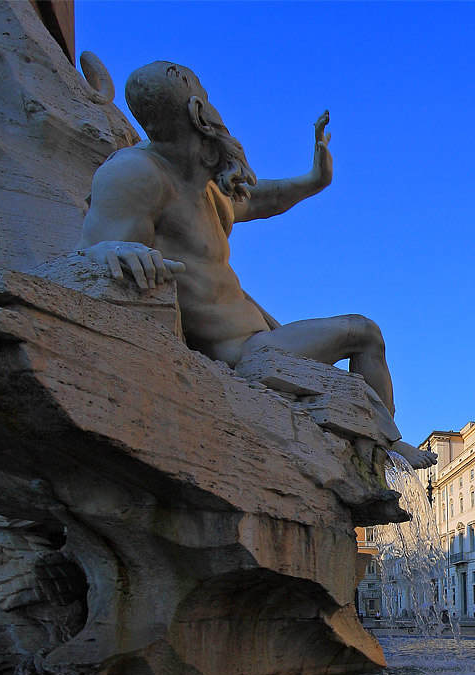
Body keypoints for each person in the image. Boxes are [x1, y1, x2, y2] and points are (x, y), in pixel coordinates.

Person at [78, 61, 436, 468]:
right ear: (198, 111)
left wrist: (313, 179)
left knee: (359, 355)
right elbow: (94, 248)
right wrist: (112, 250)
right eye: (207, 99)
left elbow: (262, 198)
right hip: (240, 356)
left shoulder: (201, 183)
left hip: (264, 336)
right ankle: (389, 448)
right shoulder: (136, 173)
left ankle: (382, 438)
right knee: (364, 332)